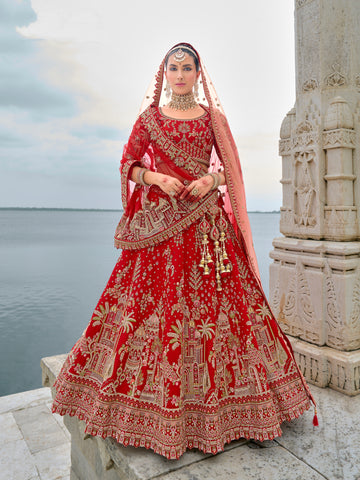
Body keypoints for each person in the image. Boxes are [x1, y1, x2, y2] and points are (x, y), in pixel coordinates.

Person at [52, 42, 316, 459]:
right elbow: (128, 165)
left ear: (198, 74)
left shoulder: (213, 119)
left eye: (187, 68)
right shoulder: (149, 119)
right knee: (150, 312)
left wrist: (210, 183)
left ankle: (246, 410)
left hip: (209, 233)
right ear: (165, 74)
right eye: (173, 68)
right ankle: (142, 411)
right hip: (159, 230)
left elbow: (232, 172)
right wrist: (155, 178)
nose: (179, 75)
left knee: (223, 317)